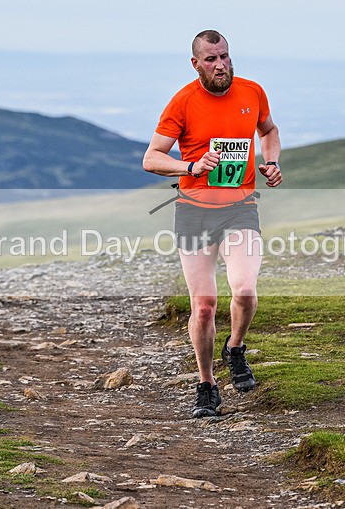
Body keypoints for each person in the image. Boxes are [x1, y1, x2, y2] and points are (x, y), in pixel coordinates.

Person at [143, 30, 282, 418]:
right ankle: (206, 384)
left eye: (224, 56)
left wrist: (270, 162)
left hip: (240, 209)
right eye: (210, 59)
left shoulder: (252, 92)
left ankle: (235, 347)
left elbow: (268, 131)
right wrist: (191, 166)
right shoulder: (183, 101)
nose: (220, 64)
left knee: (245, 289)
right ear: (195, 64)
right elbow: (151, 158)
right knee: (203, 307)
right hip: (194, 211)